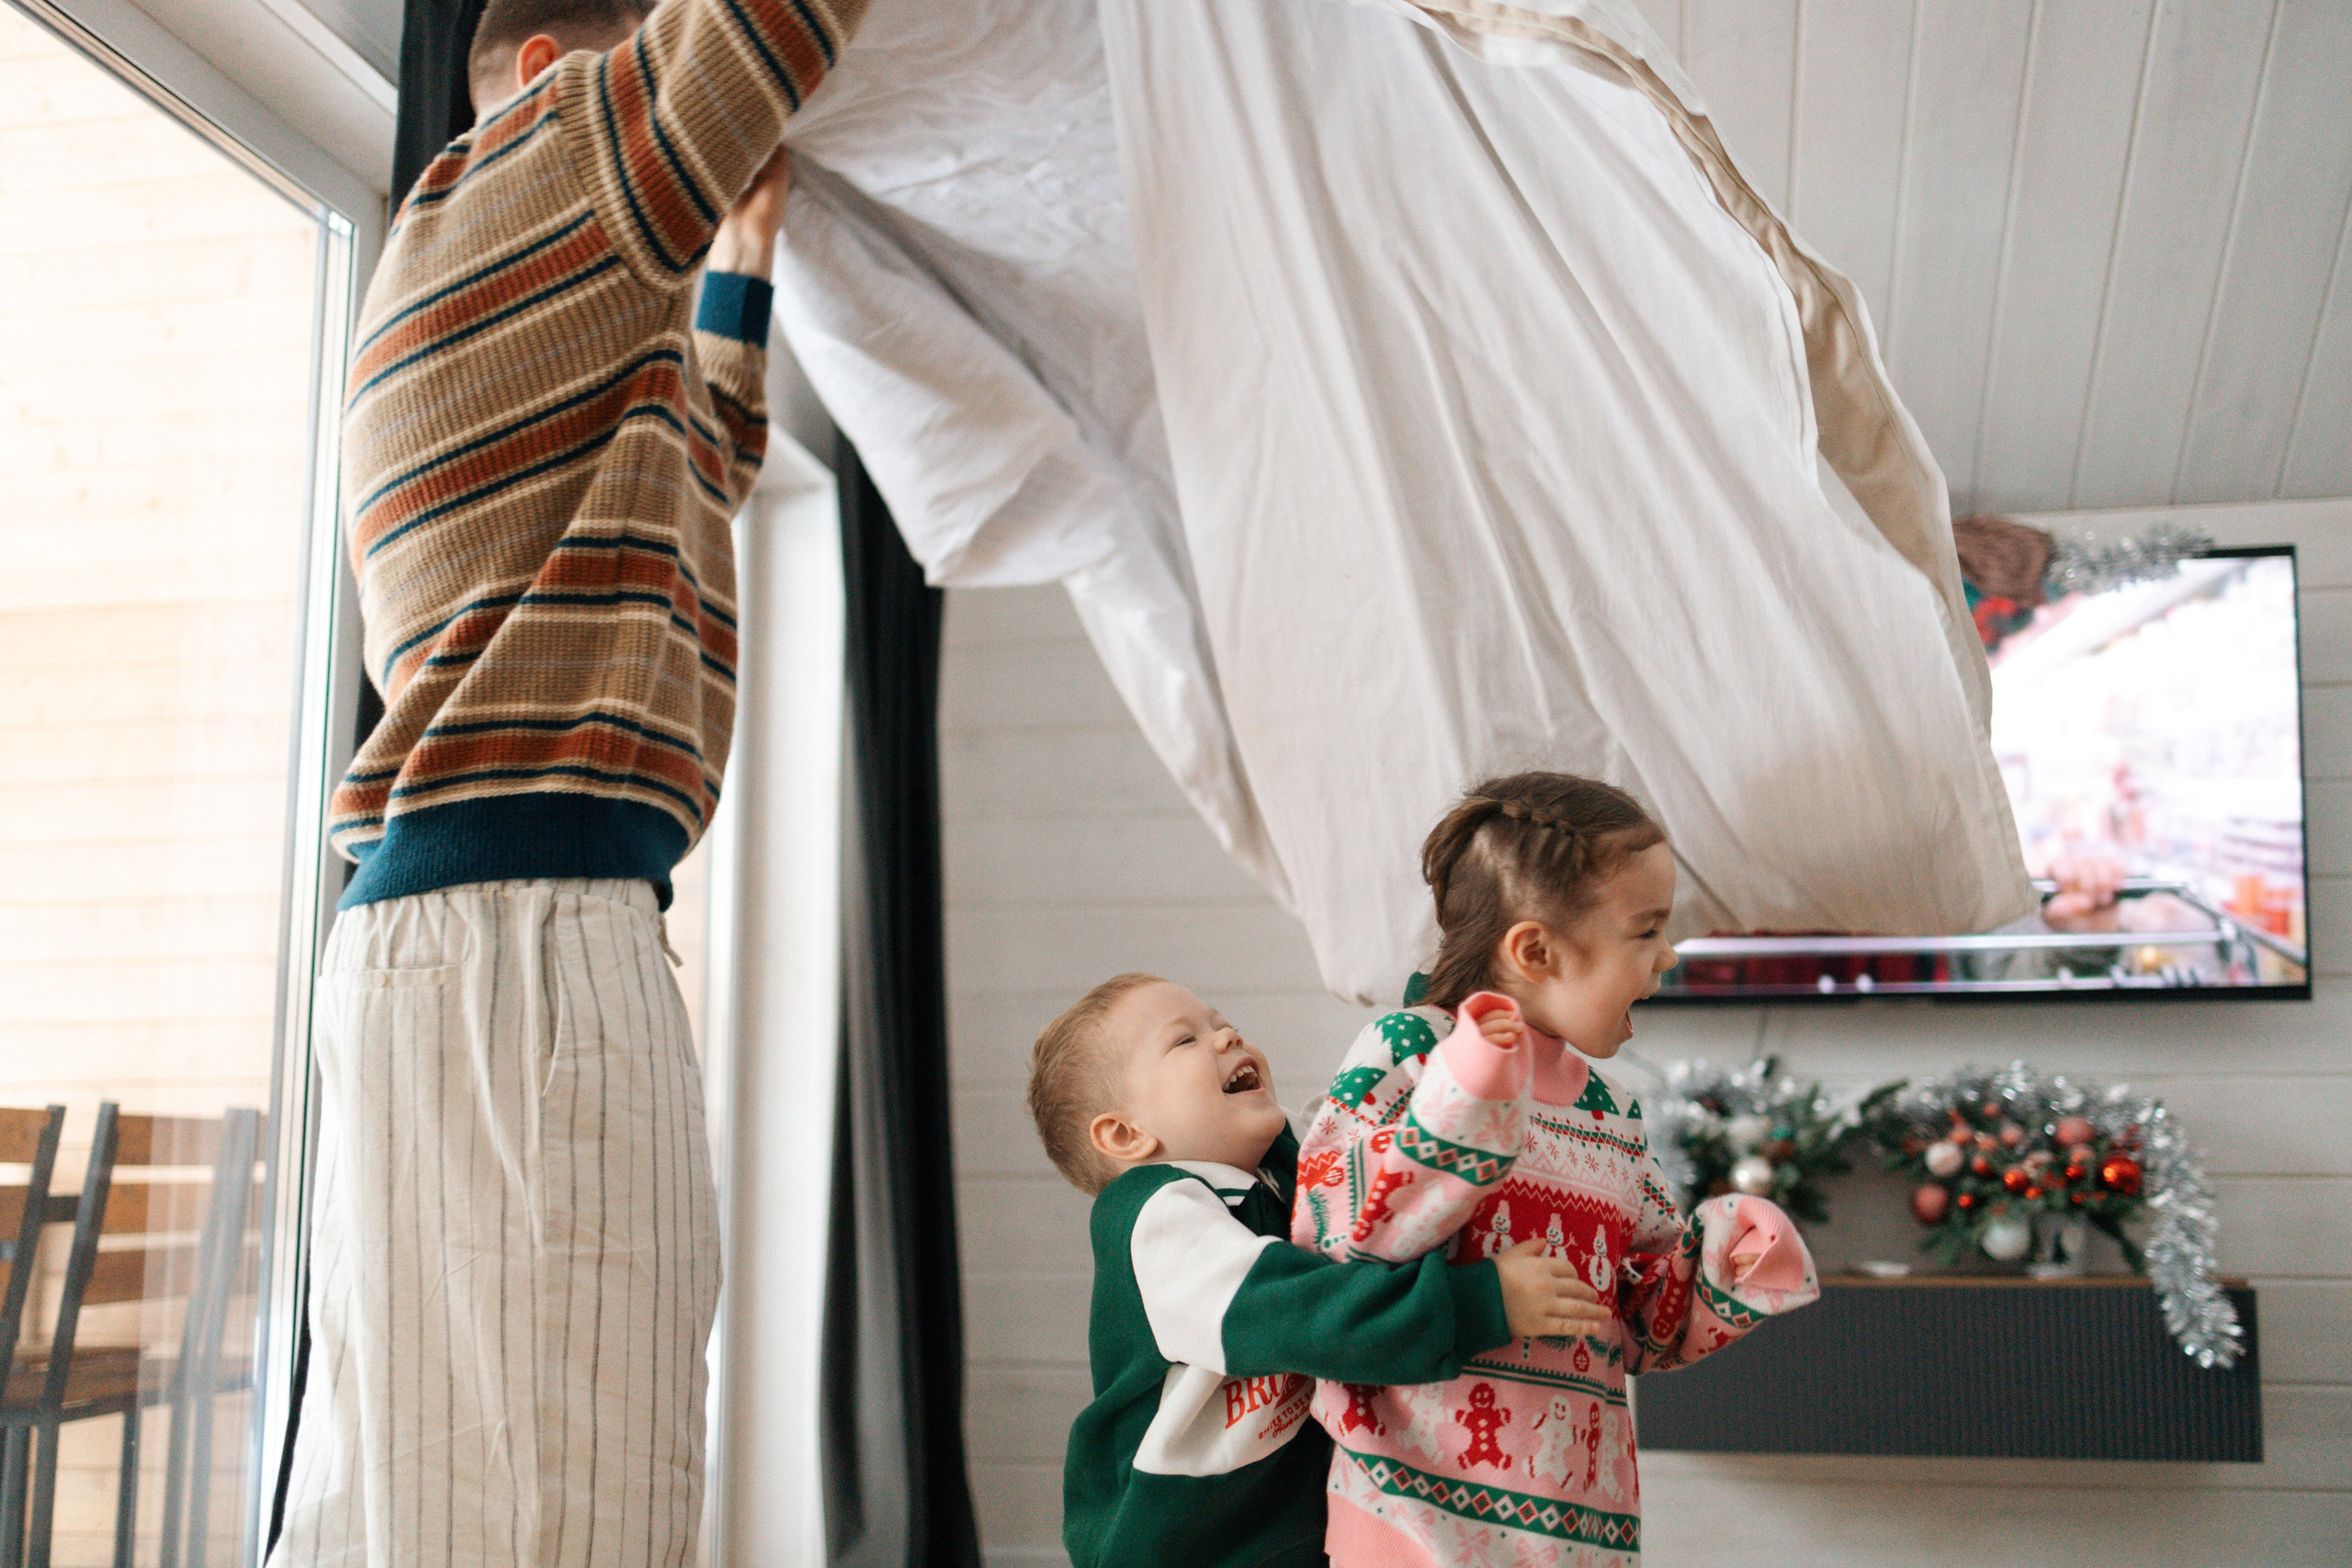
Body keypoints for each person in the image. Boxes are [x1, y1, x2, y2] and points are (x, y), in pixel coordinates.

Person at [272, 0, 867, 1562]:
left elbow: (705, 456)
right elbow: (766, 28)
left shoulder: (532, 310)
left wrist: (737, 254)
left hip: (458, 934)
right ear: (557, 79)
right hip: (521, 938)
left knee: (432, 1496)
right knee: (576, 1498)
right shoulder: (540, 155)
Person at [1293, 773, 1821, 1567]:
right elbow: (1338, 1234)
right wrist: (1470, 1091)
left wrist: (1726, 1258)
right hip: (1414, 1526)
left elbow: (1642, 1317)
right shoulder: (1410, 1051)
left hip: (1578, 1532)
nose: (1669, 954)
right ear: (1535, 951)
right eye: (1645, 931)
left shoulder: (1608, 1110)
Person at [1026, 974, 1612, 1568]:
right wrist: (1481, 1301)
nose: (1227, 1034)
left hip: (1280, 1533)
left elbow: (1356, 1153)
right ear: (1125, 1133)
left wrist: (1435, 1024)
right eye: (1185, 1040)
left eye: (1220, 1021)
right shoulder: (1156, 1217)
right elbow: (1305, 1312)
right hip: (1176, 1544)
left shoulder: (1275, 1181)